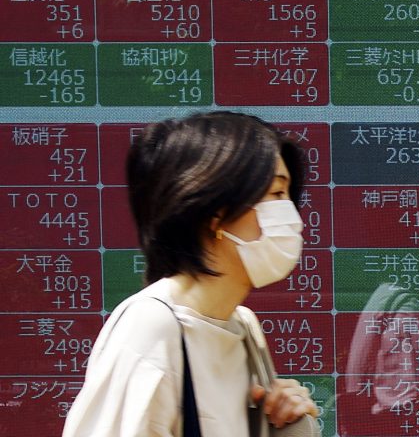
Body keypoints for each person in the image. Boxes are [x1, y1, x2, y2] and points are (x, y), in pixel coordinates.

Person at [63, 111, 319, 436]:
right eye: (276, 194)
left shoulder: (243, 327)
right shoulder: (151, 328)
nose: (290, 216)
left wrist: (291, 424)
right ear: (216, 214)